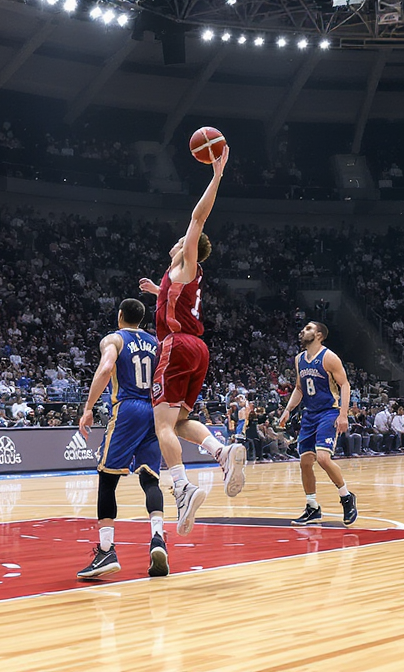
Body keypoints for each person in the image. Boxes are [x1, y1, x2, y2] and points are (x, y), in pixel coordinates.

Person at [136, 145, 245, 535]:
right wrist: (156, 293)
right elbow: (176, 301)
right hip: (198, 349)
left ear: (190, 248)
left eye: (184, 239)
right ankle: (221, 451)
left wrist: (216, 175)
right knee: (181, 420)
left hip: (177, 346)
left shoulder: (187, 261)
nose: (179, 239)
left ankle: (181, 486)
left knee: (161, 422)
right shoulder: (176, 277)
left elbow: (198, 216)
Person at [75, 299, 170, 579]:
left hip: (128, 408)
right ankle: (158, 540)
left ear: (120, 316)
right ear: (141, 319)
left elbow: (105, 370)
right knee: (150, 479)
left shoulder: (114, 339)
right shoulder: (157, 342)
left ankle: (106, 551)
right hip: (154, 409)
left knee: (107, 478)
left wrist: (88, 408)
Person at [276, 321, 358, 525]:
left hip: (328, 412)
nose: (303, 331)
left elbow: (345, 385)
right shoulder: (299, 360)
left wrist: (343, 414)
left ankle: (346, 497)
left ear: (319, 335)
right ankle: (312, 507)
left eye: (309, 328)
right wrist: (288, 410)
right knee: (305, 462)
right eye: (304, 328)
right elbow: (299, 388)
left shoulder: (329, 357)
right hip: (309, 414)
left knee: (322, 458)